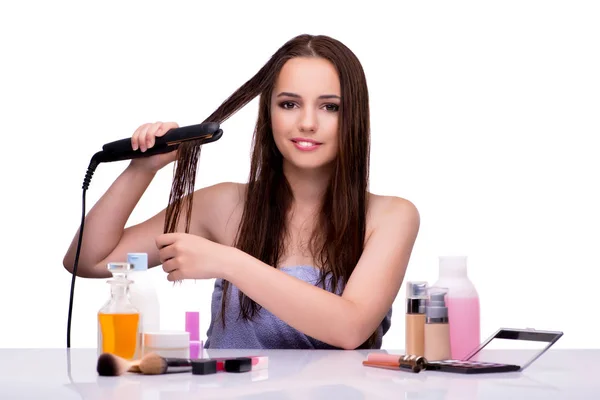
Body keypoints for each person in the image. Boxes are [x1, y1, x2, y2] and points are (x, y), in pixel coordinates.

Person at [63, 34, 420, 350]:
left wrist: (228, 261)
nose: (307, 122)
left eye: (330, 107)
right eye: (289, 104)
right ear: (268, 114)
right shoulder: (223, 205)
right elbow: (88, 259)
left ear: (354, 116)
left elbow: (350, 328)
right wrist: (141, 169)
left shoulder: (389, 217)